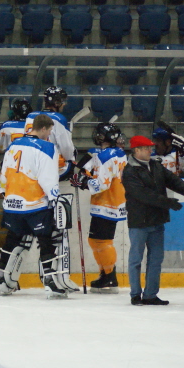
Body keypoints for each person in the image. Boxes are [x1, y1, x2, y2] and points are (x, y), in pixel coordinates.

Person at [0, 114, 71, 299]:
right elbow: (47, 177)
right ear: (43, 128)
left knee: (12, 240)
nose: (50, 135)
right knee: (46, 241)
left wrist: (4, 192)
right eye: (49, 131)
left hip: (12, 203)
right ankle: (50, 283)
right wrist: (54, 198)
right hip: (35, 204)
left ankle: (0, 281)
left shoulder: (14, 145)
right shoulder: (47, 147)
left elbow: (4, 173)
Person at [123, 135, 184, 306]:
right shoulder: (129, 171)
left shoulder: (156, 165)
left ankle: (150, 295)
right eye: (146, 148)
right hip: (139, 222)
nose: (151, 150)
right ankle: (135, 294)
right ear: (136, 150)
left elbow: (173, 181)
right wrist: (167, 202)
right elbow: (143, 194)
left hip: (157, 221)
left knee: (156, 259)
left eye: (151, 147)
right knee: (136, 259)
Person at [70, 122, 127, 293]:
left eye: (100, 135)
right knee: (95, 240)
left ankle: (110, 277)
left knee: (102, 241)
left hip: (107, 203)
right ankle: (105, 274)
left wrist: (84, 182)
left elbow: (102, 184)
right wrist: (85, 173)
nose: (97, 137)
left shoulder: (105, 156)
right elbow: (94, 169)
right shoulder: (115, 153)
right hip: (110, 201)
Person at [25, 86, 76, 181]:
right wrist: (71, 157)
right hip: (49, 166)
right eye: (62, 101)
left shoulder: (30, 116)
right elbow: (67, 148)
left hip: (30, 165)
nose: (64, 104)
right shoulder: (59, 118)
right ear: (56, 103)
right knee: (70, 161)